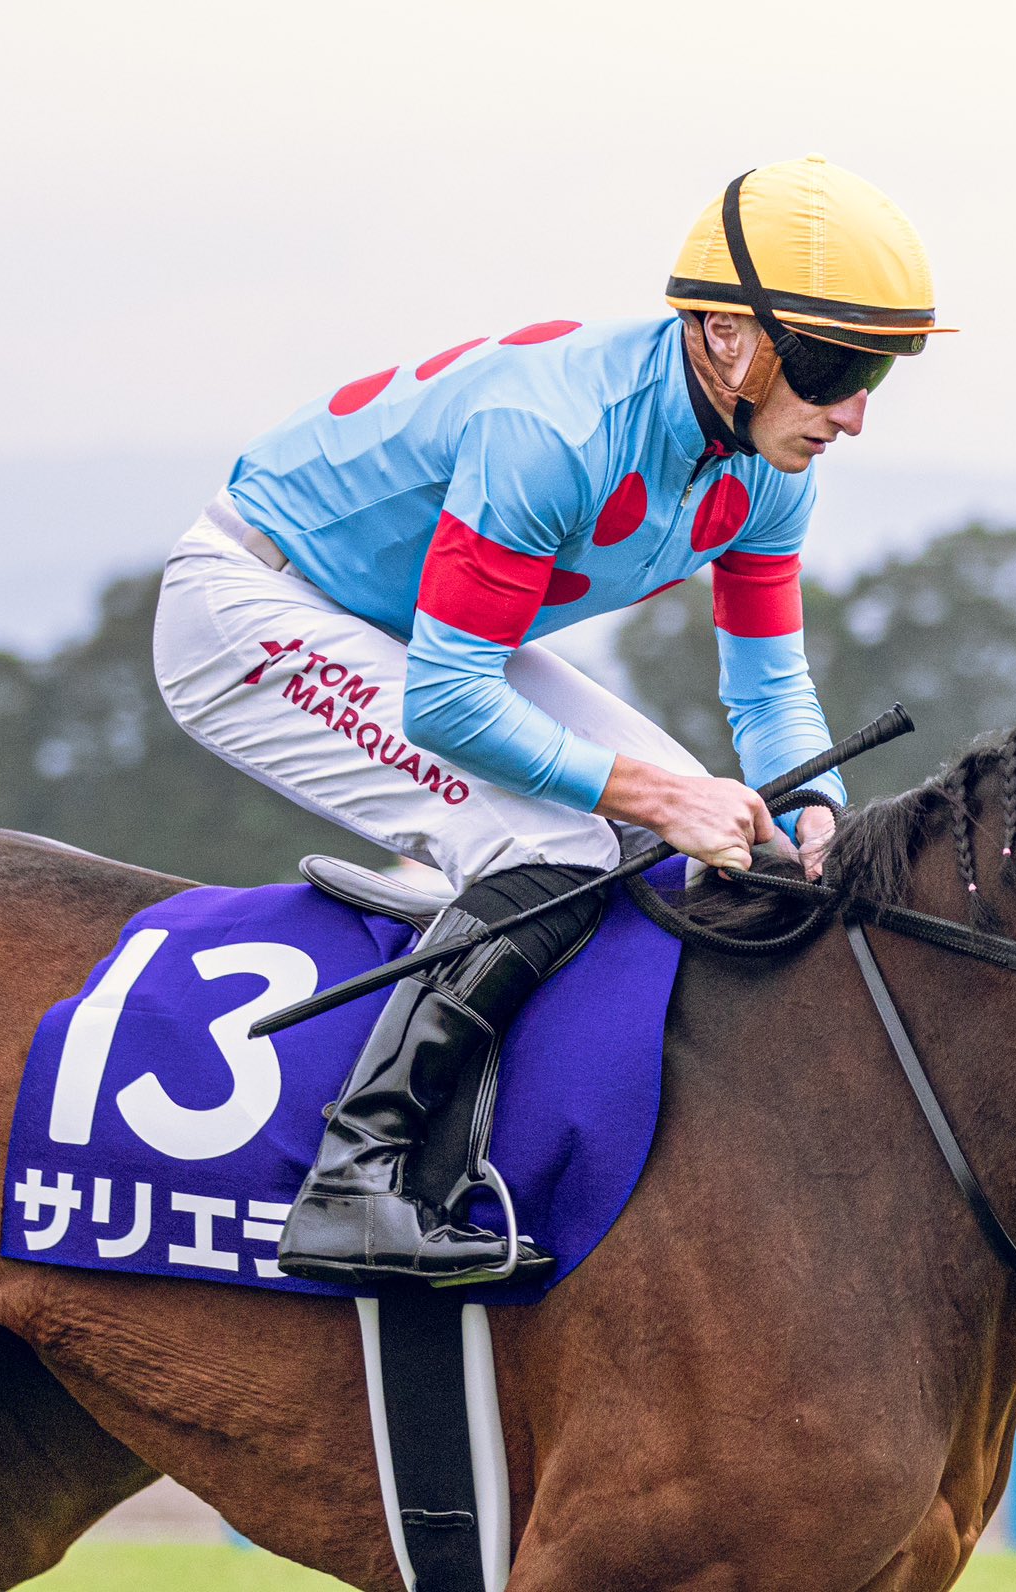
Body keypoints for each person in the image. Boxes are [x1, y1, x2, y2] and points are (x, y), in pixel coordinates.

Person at [150, 155, 951, 1285]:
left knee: (718, 847)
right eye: (833, 365)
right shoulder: (556, 430)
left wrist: (813, 804)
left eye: (875, 369)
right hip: (255, 605)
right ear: (727, 334)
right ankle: (354, 1178)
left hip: (409, 628)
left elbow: (767, 688)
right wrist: (661, 794)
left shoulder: (769, 468)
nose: (854, 412)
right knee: (564, 835)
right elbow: (445, 699)